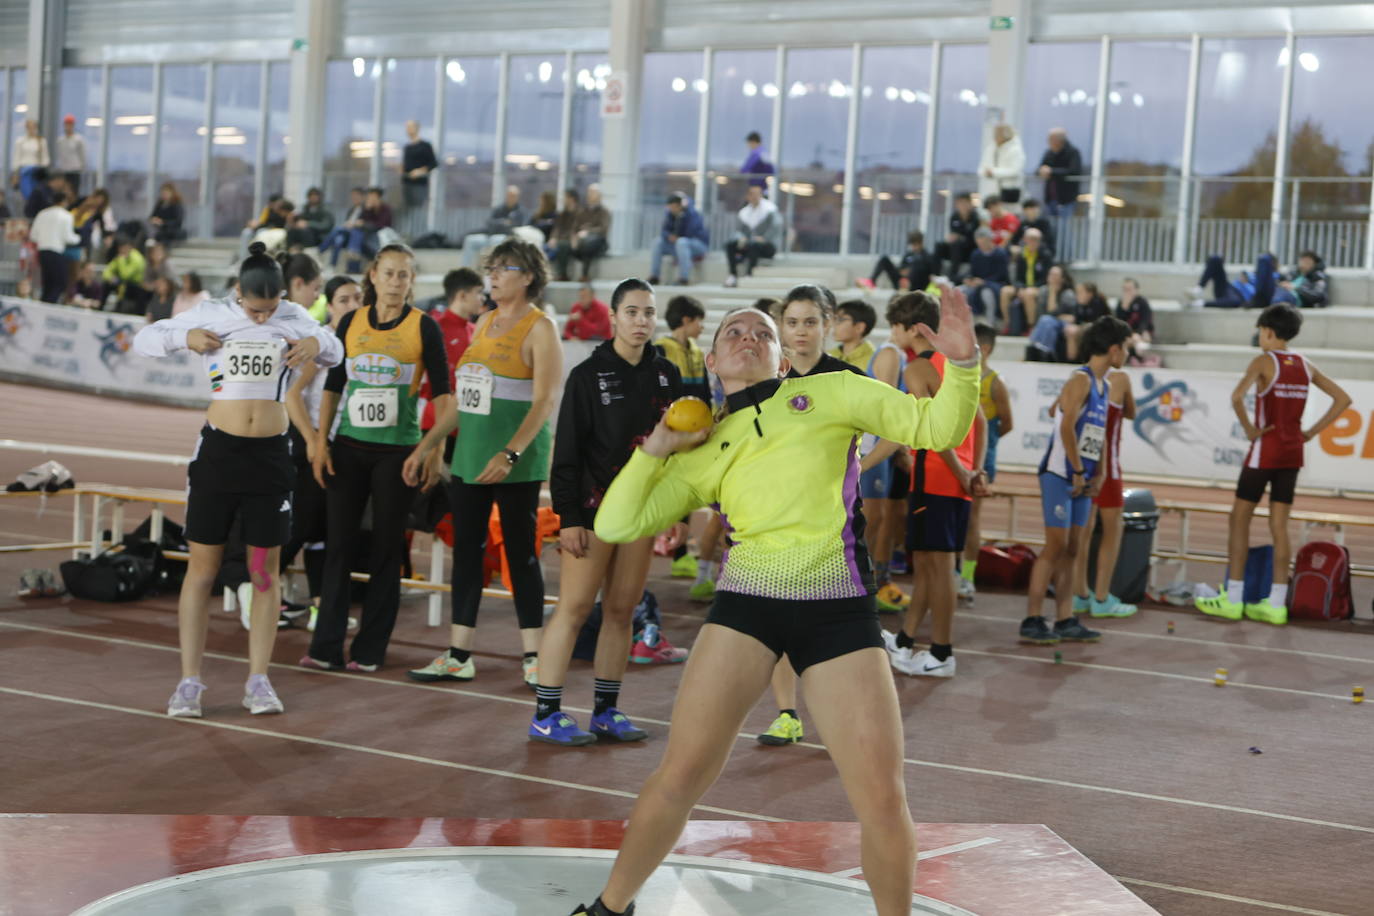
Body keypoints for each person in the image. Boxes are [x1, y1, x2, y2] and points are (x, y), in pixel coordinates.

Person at [565, 289, 980, 916]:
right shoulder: (704, 445)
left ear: (783, 359)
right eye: (735, 330)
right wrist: (655, 452)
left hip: (837, 609)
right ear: (711, 360)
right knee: (680, 776)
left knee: (881, 799)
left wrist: (965, 363)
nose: (750, 338)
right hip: (746, 610)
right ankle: (608, 909)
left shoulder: (835, 393)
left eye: (764, 333)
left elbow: (937, 426)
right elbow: (622, 523)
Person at [133, 242, 344, 718]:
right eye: (255, 309)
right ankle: (189, 682)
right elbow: (144, 340)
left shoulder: (293, 315)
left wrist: (316, 344)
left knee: (264, 573)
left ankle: (259, 680)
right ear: (238, 294)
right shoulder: (213, 314)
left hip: (270, 456)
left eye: (270, 309)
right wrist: (183, 340)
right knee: (202, 569)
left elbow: (335, 347)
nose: (265, 319)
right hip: (219, 453)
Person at [531, 278, 685, 746]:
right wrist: (569, 518)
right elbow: (567, 454)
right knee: (574, 609)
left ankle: (606, 710)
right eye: (633, 312)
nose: (642, 321)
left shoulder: (667, 375)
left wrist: (676, 510)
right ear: (614, 317)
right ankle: (547, 713)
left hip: (643, 514)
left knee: (621, 611)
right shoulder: (587, 375)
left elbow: (676, 452)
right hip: (594, 514)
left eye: (649, 313)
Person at [404, 237, 562, 688]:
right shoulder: (484, 321)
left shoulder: (540, 328)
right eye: (490, 268)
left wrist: (510, 452)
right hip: (470, 456)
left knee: (520, 554)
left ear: (529, 275)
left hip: (515, 461)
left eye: (503, 267)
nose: (491, 275)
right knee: (467, 554)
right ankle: (459, 653)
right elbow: (463, 401)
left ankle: (533, 656)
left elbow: (546, 400)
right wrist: (426, 443)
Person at [305, 243, 452, 671]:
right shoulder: (351, 322)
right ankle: (325, 647)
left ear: (411, 280)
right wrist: (320, 442)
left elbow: (444, 394)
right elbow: (333, 386)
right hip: (348, 447)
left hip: (397, 453)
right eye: (389, 273)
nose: (395, 283)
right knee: (339, 546)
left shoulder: (424, 327)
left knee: (387, 549)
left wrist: (431, 450)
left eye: (404, 275)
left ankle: (369, 651)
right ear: (373, 275)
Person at [754, 284, 870, 748]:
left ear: (827, 323)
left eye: (810, 322)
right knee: (780, 627)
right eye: (792, 322)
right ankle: (786, 714)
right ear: (780, 326)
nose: (800, 332)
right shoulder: (766, 381)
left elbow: (893, 431)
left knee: (837, 637)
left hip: (833, 535)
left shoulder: (847, 380)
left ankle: (843, 719)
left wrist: (858, 468)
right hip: (775, 528)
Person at [1196, 305, 1351, 626]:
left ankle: (1233, 597)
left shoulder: (1263, 361)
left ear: (1268, 330)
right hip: (1293, 453)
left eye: (1260, 332)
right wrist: (1310, 433)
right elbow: (1343, 399)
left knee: (1239, 519)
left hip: (1264, 450)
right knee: (1280, 527)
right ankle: (1276, 603)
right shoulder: (1306, 365)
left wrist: (1251, 430)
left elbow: (1237, 397)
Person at [879, 293, 987, 679]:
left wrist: (960, 473)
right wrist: (975, 470)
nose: (892, 334)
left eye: (895, 326)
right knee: (927, 566)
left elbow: (932, 434)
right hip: (956, 475)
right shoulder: (954, 363)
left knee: (938, 569)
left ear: (912, 329)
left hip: (936, 474)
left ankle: (942, 652)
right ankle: (907, 640)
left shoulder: (917, 370)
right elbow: (980, 419)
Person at [1018, 316, 1131, 647]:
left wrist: (1100, 474)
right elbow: (1066, 427)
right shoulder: (1080, 380)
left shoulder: (1104, 386)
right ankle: (1032, 617)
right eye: (1124, 348)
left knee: (1073, 548)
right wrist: (1080, 470)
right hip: (1059, 475)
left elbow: (1098, 433)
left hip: (1084, 478)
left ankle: (1066, 618)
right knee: (1055, 547)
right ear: (1112, 350)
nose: (1127, 355)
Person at [283, 275, 365, 625]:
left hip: (345, 446)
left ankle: (321, 607)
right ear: (329, 305)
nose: (352, 305)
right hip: (314, 446)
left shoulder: (362, 340)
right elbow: (292, 395)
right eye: (344, 299)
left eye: (357, 298)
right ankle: (249, 585)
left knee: (327, 535)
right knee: (296, 530)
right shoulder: (322, 343)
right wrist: (314, 441)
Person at [859, 298, 916, 616]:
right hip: (874, 447)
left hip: (883, 447)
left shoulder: (897, 354)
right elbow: (886, 408)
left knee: (880, 520)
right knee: (872, 519)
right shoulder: (891, 354)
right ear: (901, 327)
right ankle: (860, 583)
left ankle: (876, 582)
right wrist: (899, 449)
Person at [1071, 365, 1138, 619]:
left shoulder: (1079, 377)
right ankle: (1101, 597)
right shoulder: (1120, 378)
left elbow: (1056, 410)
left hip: (1082, 461)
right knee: (1113, 528)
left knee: (1083, 530)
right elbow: (1131, 412)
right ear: (1114, 350)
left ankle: (1079, 594)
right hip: (1106, 465)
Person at [960, 324, 1012, 594]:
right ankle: (954, 571)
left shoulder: (994, 383)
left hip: (982, 461)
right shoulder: (955, 375)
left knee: (971, 520)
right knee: (954, 517)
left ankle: (967, 577)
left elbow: (1007, 423)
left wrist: (986, 445)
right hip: (957, 456)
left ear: (985, 348)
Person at [1037, 128, 1083, 258]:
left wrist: (1052, 172)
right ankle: (1051, 255)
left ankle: (1066, 257)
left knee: (1064, 229)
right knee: (1050, 229)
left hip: (1065, 198)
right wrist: (1042, 171)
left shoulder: (1072, 152)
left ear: (1059, 141)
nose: (1048, 142)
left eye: (1051, 139)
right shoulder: (1049, 153)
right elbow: (1039, 169)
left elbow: (1074, 171)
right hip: (1050, 198)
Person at [724, 184, 779, 288]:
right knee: (730, 245)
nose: (754, 196)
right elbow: (739, 230)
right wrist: (741, 237)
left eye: (757, 194)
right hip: (749, 244)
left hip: (767, 246)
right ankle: (733, 275)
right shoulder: (744, 212)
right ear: (748, 196)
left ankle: (749, 274)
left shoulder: (770, 210)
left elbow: (775, 228)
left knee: (754, 244)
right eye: (752, 194)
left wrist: (764, 238)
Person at [648, 193, 708, 287]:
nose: (672, 210)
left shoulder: (692, 214)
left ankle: (684, 278)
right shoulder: (670, 215)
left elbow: (691, 232)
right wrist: (669, 236)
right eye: (670, 207)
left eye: (674, 207)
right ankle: (654, 277)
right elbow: (664, 231)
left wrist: (681, 219)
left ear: (680, 206)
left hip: (697, 245)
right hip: (678, 246)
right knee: (658, 242)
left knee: (682, 242)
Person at [999, 227, 1051, 334]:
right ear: (1025, 240)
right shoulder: (1021, 255)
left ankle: (1031, 326)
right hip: (1023, 286)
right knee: (1005, 291)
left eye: (1036, 239)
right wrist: (1020, 288)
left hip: (1038, 287)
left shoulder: (1045, 255)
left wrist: (1029, 288)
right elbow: (1017, 277)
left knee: (1028, 294)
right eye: (1030, 239)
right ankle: (1008, 323)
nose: (1033, 242)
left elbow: (1045, 279)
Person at [461, 185, 527, 268]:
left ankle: (491, 270)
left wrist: (501, 224)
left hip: (506, 238)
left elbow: (517, 226)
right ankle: (465, 269)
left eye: (513, 196)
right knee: (470, 240)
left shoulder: (520, 211)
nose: (511, 198)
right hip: (489, 235)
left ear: (517, 197)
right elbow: (489, 222)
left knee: (496, 240)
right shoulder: (499, 209)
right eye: (509, 195)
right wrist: (503, 222)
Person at [31, 189, 79, 303]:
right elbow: (68, 237)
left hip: (42, 252)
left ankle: (43, 306)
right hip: (56, 252)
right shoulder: (66, 216)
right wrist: (78, 238)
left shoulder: (42, 213)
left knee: (47, 283)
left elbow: (33, 235)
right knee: (60, 283)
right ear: (64, 201)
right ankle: (49, 306)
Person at [858, 230, 940, 292]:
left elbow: (932, 274)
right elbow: (901, 267)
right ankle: (871, 281)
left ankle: (907, 285)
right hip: (901, 282)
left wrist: (912, 272)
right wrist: (903, 272)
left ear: (921, 242)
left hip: (916, 285)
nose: (914, 247)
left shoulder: (927, 257)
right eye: (912, 245)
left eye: (916, 244)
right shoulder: (909, 254)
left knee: (917, 263)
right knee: (884, 259)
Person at [959, 228, 1010, 320]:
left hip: (995, 283)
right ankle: (966, 322)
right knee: (960, 291)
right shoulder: (976, 254)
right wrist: (969, 279)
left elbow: (1002, 275)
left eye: (983, 242)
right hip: (977, 283)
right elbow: (972, 272)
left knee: (986, 294)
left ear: (990, 240)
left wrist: (984, 282)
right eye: (978, 243)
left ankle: (990, 322)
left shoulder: (1000, 254)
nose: (981, 245)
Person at [566, 183, 611, 282]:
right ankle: (564, 275)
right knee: (565, 245)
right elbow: (574, 228)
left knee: (588, 244)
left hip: (598, 242)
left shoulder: (605, 212)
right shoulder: (582, 211)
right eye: (589, 192)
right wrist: (574, 238)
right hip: (580, 241)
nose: (590, 195)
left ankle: (585, 275)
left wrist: (587, 231)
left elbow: (603, 229)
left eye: (593, 192)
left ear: (599, 195)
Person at [935, 191, 979, 279]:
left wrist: (959, 237)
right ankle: (936, 274)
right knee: (939, 245)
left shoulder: (975, 217)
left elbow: (974, 236)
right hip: (955, 246)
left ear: (970, 203)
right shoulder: (954, 217)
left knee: (957, 244)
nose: (962, 205)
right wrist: (951, 238)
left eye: (964, 203)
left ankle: (953, 275)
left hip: (970, 247)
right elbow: (953, 233)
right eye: (959, 203)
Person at [979, 123, 1025, 205]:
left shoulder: (1015, 150)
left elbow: (1015, 171)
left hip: (1009, 191)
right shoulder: (991, 148)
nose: (995, 136)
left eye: (998, 133)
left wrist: (993, 172)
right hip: (990, 190)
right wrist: (986, 172)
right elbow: (981, 169)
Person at [318, 187, 366, 266]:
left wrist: (354, 224)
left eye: (356, 196)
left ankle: (320, 250)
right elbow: (347, 222)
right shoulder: (352, 209)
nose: (354, 198)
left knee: (337, 229)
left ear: (362, 196)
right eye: (353, 196)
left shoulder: (366, 209)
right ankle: (332, 266)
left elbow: (365, 223)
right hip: (346, 233)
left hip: (356, 234)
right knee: (338, 240)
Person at [102, 236, 149, 315]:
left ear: (129, 247)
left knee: (126, 287)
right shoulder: (120, 256)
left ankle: (123, 310)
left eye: (123, 248)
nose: (121, 250)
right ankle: (101, 307)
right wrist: (110, 278)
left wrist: (121, 260)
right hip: (123, 282)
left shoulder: (137, 258)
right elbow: (107, 271)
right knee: (107, 284)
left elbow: (125, 275)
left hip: (136, 285)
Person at [400, 120, 438, 211]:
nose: (408, 130)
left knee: (417, 209)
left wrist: (420, 171)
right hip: (407, 182)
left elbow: (433, 163)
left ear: (417, 128)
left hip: (419, 184)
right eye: (407, 127)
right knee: (407, 209)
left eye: (410, 127)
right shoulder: (407, 147)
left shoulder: (425, 146)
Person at [829, 299, 876, 371]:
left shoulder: (874, 360)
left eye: (840, 320)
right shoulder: (830, 356)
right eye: (834, 319)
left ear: (859, 327)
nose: (833, 325)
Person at [1115, 277, 1154, 363]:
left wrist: (1137, 333)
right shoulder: (1121, 304)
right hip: (1127, 333)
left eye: (1129, 289)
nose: (1127, 292)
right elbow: (1119, 323)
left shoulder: (1142, 302)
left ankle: (1141, 360)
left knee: (1142, 338)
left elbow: (1145, 321)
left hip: (1141, 332)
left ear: (1136, 290)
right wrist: (1124, 309)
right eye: (1125, 289)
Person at [547, 188, 581, 281]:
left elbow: (576, 229)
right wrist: (553, 238)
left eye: (565, 197)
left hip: (572, 241)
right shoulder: (562, 214)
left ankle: (563, 274)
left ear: (572, 199)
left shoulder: (580, 213)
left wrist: (560, 239)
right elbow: (557, 228)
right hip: (561, 239)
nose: (563, 200)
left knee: (562, 246)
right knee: (546, 247)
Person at [11, 120, 49, 202]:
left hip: (37, 172)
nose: (31, 129)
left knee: (37, 194)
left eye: (33, 127)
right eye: (29, 127)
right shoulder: (20, 141)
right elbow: (16, 158)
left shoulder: (41, 141)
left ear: (36, 127)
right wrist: (15, 173)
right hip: (24, 172)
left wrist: (40, 167)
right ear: (26, 128)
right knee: (26, 195)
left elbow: (45, 158)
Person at [56, 115, 87, 196]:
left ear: (73, 125)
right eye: (66, 124)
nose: (68, 127)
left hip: (75, 170)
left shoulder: (79, 139)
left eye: (70, 124)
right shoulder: (60, 140)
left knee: (74, 192)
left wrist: (82, 167)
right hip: (64, 170)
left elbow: (82, 154)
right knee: (63, 192)